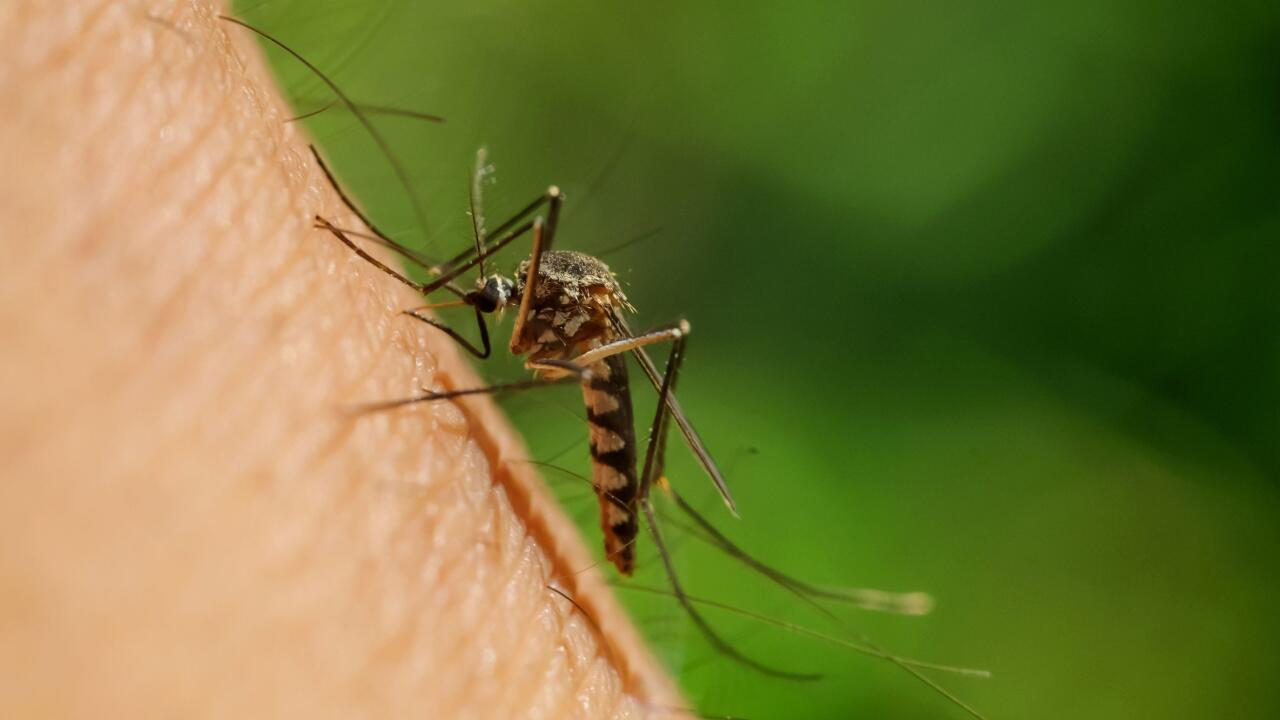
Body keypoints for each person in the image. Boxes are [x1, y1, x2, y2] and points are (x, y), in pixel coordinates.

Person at [0, 2, 684, 717]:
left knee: (617, 308)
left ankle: (646, 486)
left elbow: (584, 316)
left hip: (602, 372)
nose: (486, 302)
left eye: (485, 295)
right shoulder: (529, 291)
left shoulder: (555, 304)